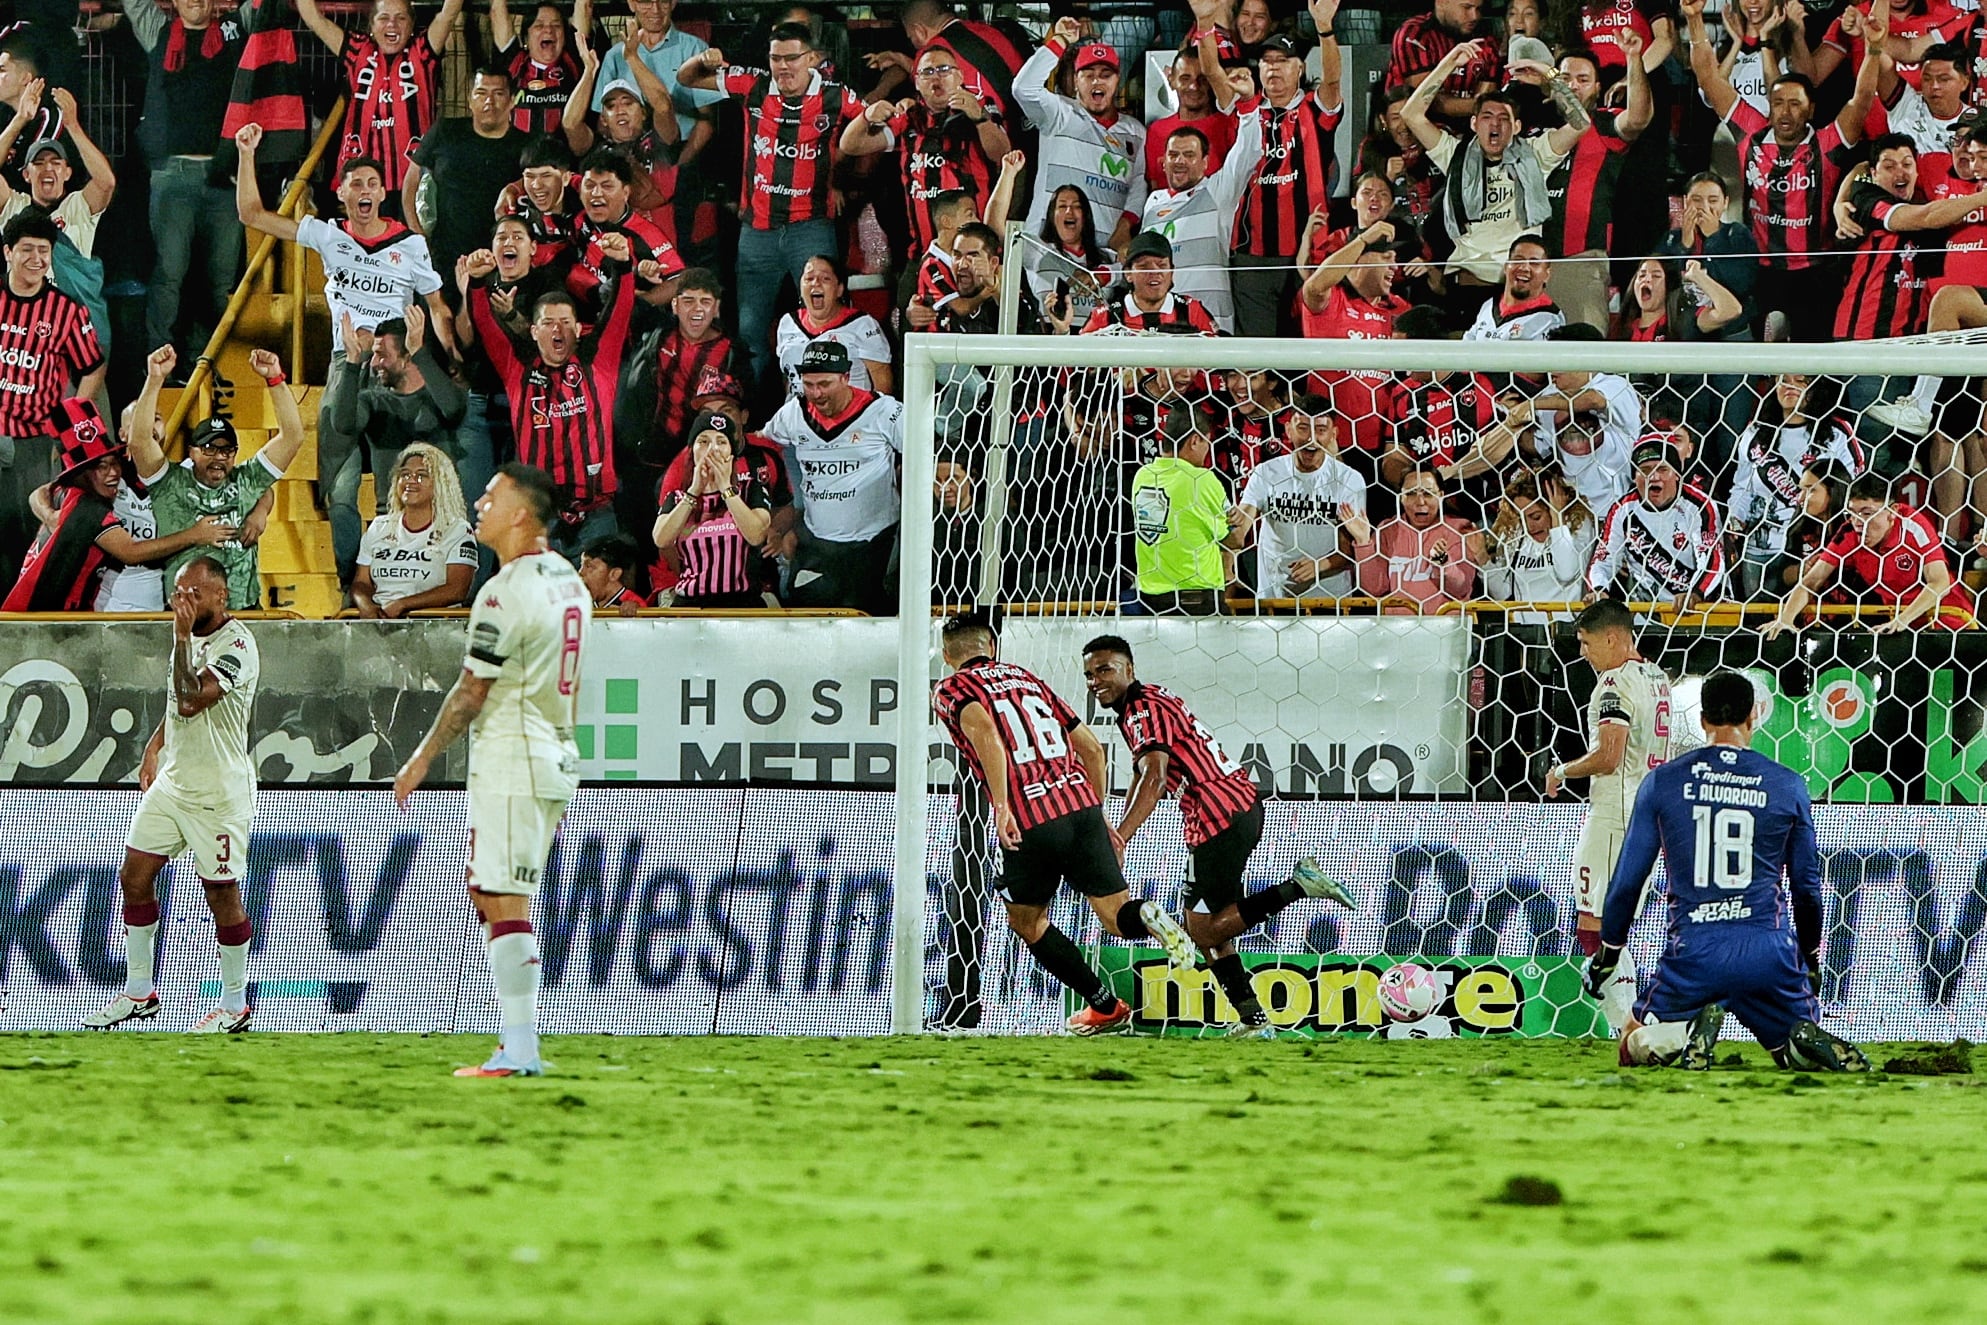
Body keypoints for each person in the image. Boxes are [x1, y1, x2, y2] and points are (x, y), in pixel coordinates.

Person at [395, 464, 590, 1077]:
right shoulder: (566, 578)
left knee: (503, 896)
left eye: (493, 495)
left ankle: (521, 1048)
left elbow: (470, 693)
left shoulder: (503, 592)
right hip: (554, 747)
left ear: (520, 515)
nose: (480, 501)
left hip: (515, 753)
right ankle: (519, 1042)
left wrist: (421, 758)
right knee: (493, 891)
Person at [1584, 670, 1870, 1071]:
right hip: (1767, 953)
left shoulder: (1663, 782)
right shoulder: (1787, 785)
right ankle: (1798, 1042)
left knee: (1631, 1045)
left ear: (1702, 719)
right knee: (1788, 1053)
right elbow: (1807, 887)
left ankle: (1683, 1034)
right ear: (1753, 716)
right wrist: (1809, 958)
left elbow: (1627, 881)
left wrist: (1608, 954)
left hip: (1695, 952)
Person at [931, 614, 1197, 1036]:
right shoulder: (1027, 679)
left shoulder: (952, 689)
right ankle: (1147, 914)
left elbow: (988, 740)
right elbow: (1092, 749)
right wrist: (1098, 814)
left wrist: (1001, 807)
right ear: (993, 648)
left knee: (1027, 922)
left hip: (1031, 819)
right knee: (1115, 918)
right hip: (1082, 810)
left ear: (947, 656)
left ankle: (1104, 1005)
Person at [1081, 635, 1355, 1034]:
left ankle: (1301, 886)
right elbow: (1143, 773)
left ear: (1129, 669)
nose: (1095, 681)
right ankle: (1254, 1021)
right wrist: (1118, 827)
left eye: (1105, 669)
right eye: (1089, 674)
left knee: (1204, 930)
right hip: (1232, 807)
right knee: (1211, 930)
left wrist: (1119, 836)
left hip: (1217, 815)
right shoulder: (1147, 701)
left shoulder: (1141, 711)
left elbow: (1155, 777)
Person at [236, 123, 451, 584]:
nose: (366, 190)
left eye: (373, 183)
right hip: (346, 366)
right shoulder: (329, 236)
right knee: (341, 491)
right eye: (357, 183)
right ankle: (350, 586)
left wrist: (447, 359)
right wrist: (246, 154)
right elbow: (252, 213)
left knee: (396, 491)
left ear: (382, 193)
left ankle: (398, 585)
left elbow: (437, 306)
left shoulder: (410, 245)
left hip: (395, 370)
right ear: (343, 195)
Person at [83, 557, 261, 1033]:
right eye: (179, 592)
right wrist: (154, 746)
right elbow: (174, 704)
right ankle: (139, 992)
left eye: (193, 593)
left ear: (221, 596)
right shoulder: (188, 637)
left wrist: (181, 637)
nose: (182, 602)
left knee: (221, 892)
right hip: (174, 784)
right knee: (133, 877)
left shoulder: (237, 644)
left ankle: (235, 1005)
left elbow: (190, 697)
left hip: (218, 795)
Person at [677, 23, 863, 389]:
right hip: (757, 233)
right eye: (776, 58)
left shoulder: (836, 95)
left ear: (812, 59)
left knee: (825, 324)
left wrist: (842, 175)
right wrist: (703, 58)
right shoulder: (754, 84)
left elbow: (876, 125)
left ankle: (830, 409)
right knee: (750, 334)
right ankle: (752, 415)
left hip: (811, 230)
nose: (783, 66)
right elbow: (687, 78)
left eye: (792, 57)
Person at [1686, 0, 1883, 338]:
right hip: (1761, 271)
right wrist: (1693, 20)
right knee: (1762, 355)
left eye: (1795, 104)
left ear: (1810, 109)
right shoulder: (1750, 133)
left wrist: (1875, 49)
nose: (1785, 112)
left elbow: (1862, 98)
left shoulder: (1828, 143)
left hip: (1815, 274)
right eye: (1778, 103)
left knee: (1811, 363)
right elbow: (1707, 76)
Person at [1545, 598, 1672, 1034]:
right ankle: (1634, 1024)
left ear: (1613, 637)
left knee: (1593, 923)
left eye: (1586, 642)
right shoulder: (1656, 677)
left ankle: (1628, 1028)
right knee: (1612, 922)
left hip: (1615, 814)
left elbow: (1609, 755)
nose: (1583, 652)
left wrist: (1562, 770)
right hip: (1647, 813)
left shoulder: (1614, 684)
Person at [467, 245, 637, 549]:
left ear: (578, 329)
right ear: (533, 331)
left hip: (596, 512)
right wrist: (478, 283)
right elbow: (485, 323)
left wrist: (623, 265)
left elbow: (620, 311)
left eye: (565, 323)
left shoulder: (599, 360)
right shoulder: (516, 366)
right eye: (548, 323)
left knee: (597, 593)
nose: (557, 330)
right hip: (540, 515)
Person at [1401, 42, 1588, 313]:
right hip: (1467, 286)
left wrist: (1549, 74)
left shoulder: (1536, 153)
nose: (1496, 124)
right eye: (1487, 116)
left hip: (1518, 287)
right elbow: (1411, 114)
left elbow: (1581, 123)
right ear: (1474, 124)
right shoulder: (1456, 154)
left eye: (1504, 118)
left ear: (1517, 127)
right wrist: (1449, 63)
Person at [4, 400, 231, 611]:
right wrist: (195, 535)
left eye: (113, 464)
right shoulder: (89, 507)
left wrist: (50, 515)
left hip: (63, 608)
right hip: (46, 613)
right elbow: (130, 552)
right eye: (100, 467)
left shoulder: (74, 493)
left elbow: (41, 493)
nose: (112, 473)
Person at [129, 345, 305, 608]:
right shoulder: (170, 483)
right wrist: (155, 379)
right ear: (192, 452)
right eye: (209, 448)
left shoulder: (246, 480)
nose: (219, 457)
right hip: (186, 614)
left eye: (227, 450)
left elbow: (292, 436)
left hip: (243, 611)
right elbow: (140, 441)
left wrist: (275, 378)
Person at [119, 0, 246, 357]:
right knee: (169, 276)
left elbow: (260, 6)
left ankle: (210, 366)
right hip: (171, 177)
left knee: (220, 282)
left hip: (225, 179)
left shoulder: (233, 32)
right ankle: (160, 364)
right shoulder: (158, 32)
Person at [0, 210, 105, 586]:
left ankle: (19, 623)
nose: (36, 259)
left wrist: (71, 420)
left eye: (43, 250)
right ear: (8, 252)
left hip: (33, 443)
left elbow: (93, 366)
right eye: (27, 249)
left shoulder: (67, 311)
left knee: (26, 536)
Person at [763, 339, 903, 613]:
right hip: (818, 542)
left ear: (846, 377)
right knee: (807, 614)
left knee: (871, 617)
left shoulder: (884, 411)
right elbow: (764, 444)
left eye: (825, 384)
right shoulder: (793, 413)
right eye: (809, 384)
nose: (816, 393)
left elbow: (925, 452)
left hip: (875, 542)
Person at [1232, 6, 1345, 339]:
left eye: (1282, 61)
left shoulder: (1315, 108)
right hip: (1253, 257)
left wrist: (1324, 27)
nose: (1273, 68)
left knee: (1305, 355)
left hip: (1309, 252)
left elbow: (1334, 79)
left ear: (1300, 68)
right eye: (1267, 61)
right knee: (1258, 359)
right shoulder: (1245, 112)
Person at [1140, 31, 1265, 332]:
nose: (1180, 161)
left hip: (1213, 324)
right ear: (1163, 161)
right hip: (1165, 322)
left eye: (1189, 155)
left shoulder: (1217, 192)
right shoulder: (1153, 203)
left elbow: (1249, 150)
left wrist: (1248, 103)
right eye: (1174, 155)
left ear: (1206, 163)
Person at [841, 45, 1008, 267]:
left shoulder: (981, 108)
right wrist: (865, 117)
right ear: (917, 82)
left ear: (959, 76)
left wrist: (979, 119)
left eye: (944, 69)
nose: (936, 77)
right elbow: (851, 145)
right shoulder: (909, 117)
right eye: (927, 72)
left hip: (977, 255)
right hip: (924, 254)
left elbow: (1002, 153)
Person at [1762, 473, 1978, 634]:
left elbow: (1939, 583)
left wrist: (1902, 621)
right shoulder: (1849, 532)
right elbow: (1810, 582)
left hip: (1948, 624)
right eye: (1852, 513)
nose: (1858, 523)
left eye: (1867, 513)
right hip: (1896, 627)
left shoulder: (1913, 526)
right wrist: (1786, 619)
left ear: (1892, 512)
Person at [295, 0, 465, 200]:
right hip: (361, 183)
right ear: (372, 26)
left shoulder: (422, 50)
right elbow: (314, 18)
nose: (392, 24)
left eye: (401, 18)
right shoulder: (357, 49)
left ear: (411, 25)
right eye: (383, 18)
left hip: (413, 182)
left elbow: (449, 13)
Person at [1542, 39, 1653, 332]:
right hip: (1527, 261)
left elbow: (1639, 117)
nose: (1573, 86)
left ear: (1597, 88)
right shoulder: (1530, 123)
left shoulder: (1603, 124)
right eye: (1565, 78)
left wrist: (1633, 58)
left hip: (1580, 261)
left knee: (1583, 355)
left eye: (1582, 80)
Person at [1014, 18, 1147, 256]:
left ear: (1117, 81)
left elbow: (1138, 184)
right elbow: (1023, 88)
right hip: (1048, 253)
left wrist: (1126, 225)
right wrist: (1060, 40)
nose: (1097, 80)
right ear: (1076, 81)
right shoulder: (1058, 114)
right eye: (1088, 74)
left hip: (1104, 258)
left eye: (1106, 74)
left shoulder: (1136, 131)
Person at [327, 306, 468, 529]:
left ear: (406, 358)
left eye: (382, 355)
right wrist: (352, 362)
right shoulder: (372, 402)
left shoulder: (439, 396)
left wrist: (419, 351)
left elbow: (454, 410)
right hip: (390, 520)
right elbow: (343, 425)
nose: (373, 363)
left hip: (442, 520)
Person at [0, 93, 116, 360]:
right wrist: (19, 120)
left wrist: (73, 125)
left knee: (85, 403)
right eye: (38, 164)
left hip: (80, 339)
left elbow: (106, 182)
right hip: (29, 342)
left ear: (67, 172)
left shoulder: (78, 207)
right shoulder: (14, 207)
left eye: (55, 163)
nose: (47, 169)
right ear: (26, 175)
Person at [1727, 374, 1865, 596]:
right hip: (1760, 547)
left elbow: (1853, 490)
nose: (1790, 387)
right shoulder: (1755, 433)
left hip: (1813, 548)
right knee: (1758, 619)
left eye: (1800, 380)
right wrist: (1734, 523)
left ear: (1814, 388)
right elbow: (1742, 488)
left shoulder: (1837, 433)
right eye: (1783, 380)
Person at [404, 66, 532, 297]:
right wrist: (417, 236)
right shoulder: (445, 131)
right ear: (470, 99)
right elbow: (411, 182)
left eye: (498, 94)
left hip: (499, 262)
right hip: (443, 257)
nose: (489, 101)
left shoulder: (526, 146)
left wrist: (515, 187)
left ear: (512, 100)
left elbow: (544, 183)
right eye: (481, 93)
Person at [1229, 399, 1368, 603]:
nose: (1311, 438)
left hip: (1329, 600)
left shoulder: (1348, 480)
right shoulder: (1267, 473)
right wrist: (1228, 527)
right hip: (1274, 598)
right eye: (1302, 428)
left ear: (1333, 435)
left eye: (1321, 430)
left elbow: (1350, 548)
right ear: (1288, 430)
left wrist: (1318, 565)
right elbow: (1241, 527)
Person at [651, 409, 775, 608]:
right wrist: (694, 491)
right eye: (704, 441)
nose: (713, 449)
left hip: (742, 601)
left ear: (732, 454)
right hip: (691, 603)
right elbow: (661, 539)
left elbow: (756, 535)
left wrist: (726, 488)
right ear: (692, 450)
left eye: (721, 441)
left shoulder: (751, 489)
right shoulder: (676, 497)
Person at [1587, 432, 1726, 609]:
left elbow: (1713, 561)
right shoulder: (1621, 511)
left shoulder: (1700, 506)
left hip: (1701, 607)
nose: (1654, 477)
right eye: (1645, 471)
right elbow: (1602, 560)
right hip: (1649, 612)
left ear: (1677, 474)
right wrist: (1599, 589)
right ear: (1635, 477)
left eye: (1662, 469)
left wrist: (1695, 593)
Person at [352, 442, 477, 619]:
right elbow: (361, 582)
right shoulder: (379, 526)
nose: (410, 480)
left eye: (421, 475)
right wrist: (365, 605)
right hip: (380, 621)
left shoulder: (457, 530)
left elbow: (456, 590)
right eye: (405, 475)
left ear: (440, 484)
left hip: (433, 626)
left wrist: (403, 605)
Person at [1132, 406, 1236, 616]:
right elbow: (1234, 539)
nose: (1208, 451)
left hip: (1150, 596)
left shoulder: (1142, 476)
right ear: (1195, 440)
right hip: (1196, 596)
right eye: (1207, 442)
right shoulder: (1201, 479)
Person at [596, 0, 722, 159]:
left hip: (683, 152)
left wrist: (681, 166)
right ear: (632, 4)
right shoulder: (614, 56)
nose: (655, 10)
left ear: (673, 3)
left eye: (663, 1)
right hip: (628, 156)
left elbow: (708, 120)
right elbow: (602, 121)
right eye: (646, 2)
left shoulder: (695, 49)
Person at [1347, 467, 1482, 613]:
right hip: (1398, 630)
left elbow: (1461, 589)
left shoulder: (1459, 529)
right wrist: (1363, 542)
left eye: (1428, 493)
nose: (1420, 502)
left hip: (1445, 629)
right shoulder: (1387, 530)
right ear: (1401, 498)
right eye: (1411, 494)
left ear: (1441, 495)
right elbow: (1375, 589)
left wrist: (1444, 563)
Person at [773, 255, 892, 397]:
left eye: (825, 279)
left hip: (851, 415)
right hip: (799, 414)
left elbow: (883, 384)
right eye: (809, 279)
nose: (815, 283)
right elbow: (788, 378)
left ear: (839, 289)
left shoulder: (862, 324)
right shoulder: (788, 322)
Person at [1387, 0, 1502, 131]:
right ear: (1441, 2)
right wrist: (1485, 107)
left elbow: (1485, 97)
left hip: (1467, 132)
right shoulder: (1414, 34)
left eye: (1478, 9)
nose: (1475, 16)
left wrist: (1484, 107)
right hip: (1414, 132)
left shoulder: (1487, 42)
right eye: (1467, 7)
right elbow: (1426, 101)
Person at [1079, 231, 1218, 333]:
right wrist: (1063, 331)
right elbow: (1073, 368)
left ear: (1172, 272)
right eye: (1144, 266)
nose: (1154, 273)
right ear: (1128, 274)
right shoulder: (1105, 317)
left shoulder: (1191, 311)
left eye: (1162, 265)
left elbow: (1218, 369)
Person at [1142, 40, 1237, 189]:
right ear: (1171, 81)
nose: (1194, 86)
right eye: (1185, 79)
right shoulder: (1156, 131)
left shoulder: (1229, 125)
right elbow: (1155, 187)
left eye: (1202, 79)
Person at [491, 0, 591, 137]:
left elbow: (584, 6)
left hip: (562, 155)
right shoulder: (515, 63)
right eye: (539, 25)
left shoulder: (573, 61)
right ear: (526, 38)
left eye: (556, 25)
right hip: (519, 155)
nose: (549, 30)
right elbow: (498, 9)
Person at [1461, 234, 1564, 341]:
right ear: (1506, 267)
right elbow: (1466, 347)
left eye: (1534, 263)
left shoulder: (1550, 319)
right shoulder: (1489, 305)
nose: (1524, 268)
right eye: (1518, 260)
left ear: (1546, 275)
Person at [577, 530, 649, 611]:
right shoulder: (580, 602)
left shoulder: (636, 608)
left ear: (614, 574)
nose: (580, 572)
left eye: (589, 566)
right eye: (581, 565)